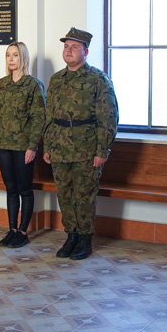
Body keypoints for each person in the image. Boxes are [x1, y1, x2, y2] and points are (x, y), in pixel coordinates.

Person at [42, 27, 118, 260]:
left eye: (75, 47)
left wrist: (102, 150)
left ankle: (85, 238)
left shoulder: (98, 79)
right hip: (60, 148)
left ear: (85, 51)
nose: (69, 50)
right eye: (66, 46)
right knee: (64, 194)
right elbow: (49, 116)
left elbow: (109, 117)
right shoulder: (56, 80)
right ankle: (71, 236)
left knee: (83, 195)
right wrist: (47, 146)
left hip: (86, 149)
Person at [0, 42, 46, 248]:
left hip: (22, 146)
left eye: (15, 55)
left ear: (23, 58)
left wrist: (32, 146)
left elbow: (39, 118)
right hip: (3, 144)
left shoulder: (33, 85)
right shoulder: (1, 84)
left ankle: (23, 232)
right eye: (8, 55)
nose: (11, 59)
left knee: (24, 189)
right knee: (10, 189)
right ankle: (11, 229)